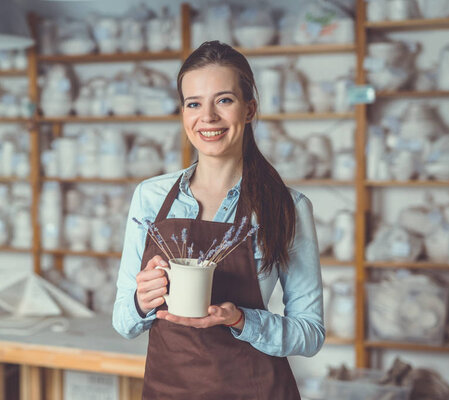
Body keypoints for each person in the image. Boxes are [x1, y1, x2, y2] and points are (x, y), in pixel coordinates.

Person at [112, 40, 324, 399]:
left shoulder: (286, 207)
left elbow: (310, 332)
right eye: (194, 103)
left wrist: (241, 320)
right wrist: (141, 300)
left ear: (249, 109)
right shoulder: (150, 197)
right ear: (183, 113)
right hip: (168, 390)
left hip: (254, 389)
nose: (207, 117)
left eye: (224, 100)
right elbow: (123, 321)